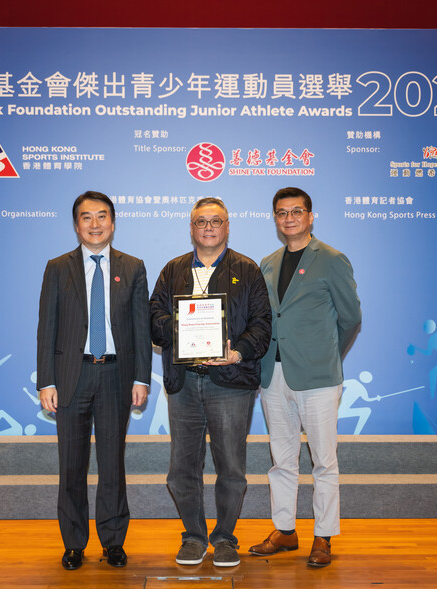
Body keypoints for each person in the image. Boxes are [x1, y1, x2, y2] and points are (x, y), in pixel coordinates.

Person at [150, 197, 271, 568]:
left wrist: (237, 353)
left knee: (231, 466)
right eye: (200, 221)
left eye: (215, 221)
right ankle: (193, 536)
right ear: (191, 228)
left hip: (230, 381)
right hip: (184, 382)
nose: (208, 227)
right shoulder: (172, 270)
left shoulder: (247, 270)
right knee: (182, 468)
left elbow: (262, 325)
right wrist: (181, 330)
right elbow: (153, 318)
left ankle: (225, 538)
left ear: (227, 226)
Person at [36, 191, 151, 570]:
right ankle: (73, 543)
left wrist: (141, 377)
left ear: (113, 223)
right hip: (72, 375)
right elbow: (46, 328)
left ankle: (113, 542)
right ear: (76, 224)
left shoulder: (133, 267)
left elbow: (140, 328)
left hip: (117, 374)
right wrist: (46, 381)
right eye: (87, 217)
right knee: (71, 464)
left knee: (112, 464)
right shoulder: (57, 267)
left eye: (102, 216)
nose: (95, 224)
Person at [250, 187, 361, 568]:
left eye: (297, 211)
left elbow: (350, 319)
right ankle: (284, 530)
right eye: (281, 212)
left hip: (317, 376)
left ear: (311, 216)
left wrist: (326, 355)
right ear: (275, 219)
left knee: (323, 461)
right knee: (281, 459)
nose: (289, 218)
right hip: (272, 373)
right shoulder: (267, 262)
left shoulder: (331, 259)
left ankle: (323, 535)